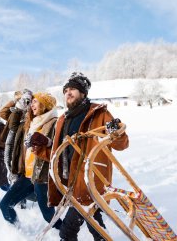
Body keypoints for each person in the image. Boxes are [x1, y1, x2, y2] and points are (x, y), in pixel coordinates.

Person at [48, 72, 129, 241]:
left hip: (90, 182)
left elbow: (121, 144)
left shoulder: (99, 114)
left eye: (73, 89)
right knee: (96, 226)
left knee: (67, 232)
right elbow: (57, 152)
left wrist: (116, 133)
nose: (68, 93)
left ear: (83, 93)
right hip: (70, 182)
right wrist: (40, 147)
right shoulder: (63, 119)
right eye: (66, 90)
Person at [0, 92, 62, 229]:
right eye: (31, 102)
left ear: (45, 104)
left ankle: (66, 234)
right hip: (27, 175)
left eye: (35, 101)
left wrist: (47, 142)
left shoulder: (54, 123)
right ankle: (17, 232)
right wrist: (17, 102)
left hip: (42, 177)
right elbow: (8, 119)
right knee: (5, 204)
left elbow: (60, 152)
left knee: (48, 216)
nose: (32, 105)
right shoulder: (31, 123)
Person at [0, 89, 33, 208]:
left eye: (25, 99)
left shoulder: (30, 113)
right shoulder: (15, 112)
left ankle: (23, 200)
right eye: (21, 99)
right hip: (13, 146)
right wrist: (15, 103)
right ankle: (20, 201)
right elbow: (2, 113)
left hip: (22, 147)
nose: (24, 102)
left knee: (21, 175)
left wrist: (27, 107)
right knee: (15, 175)